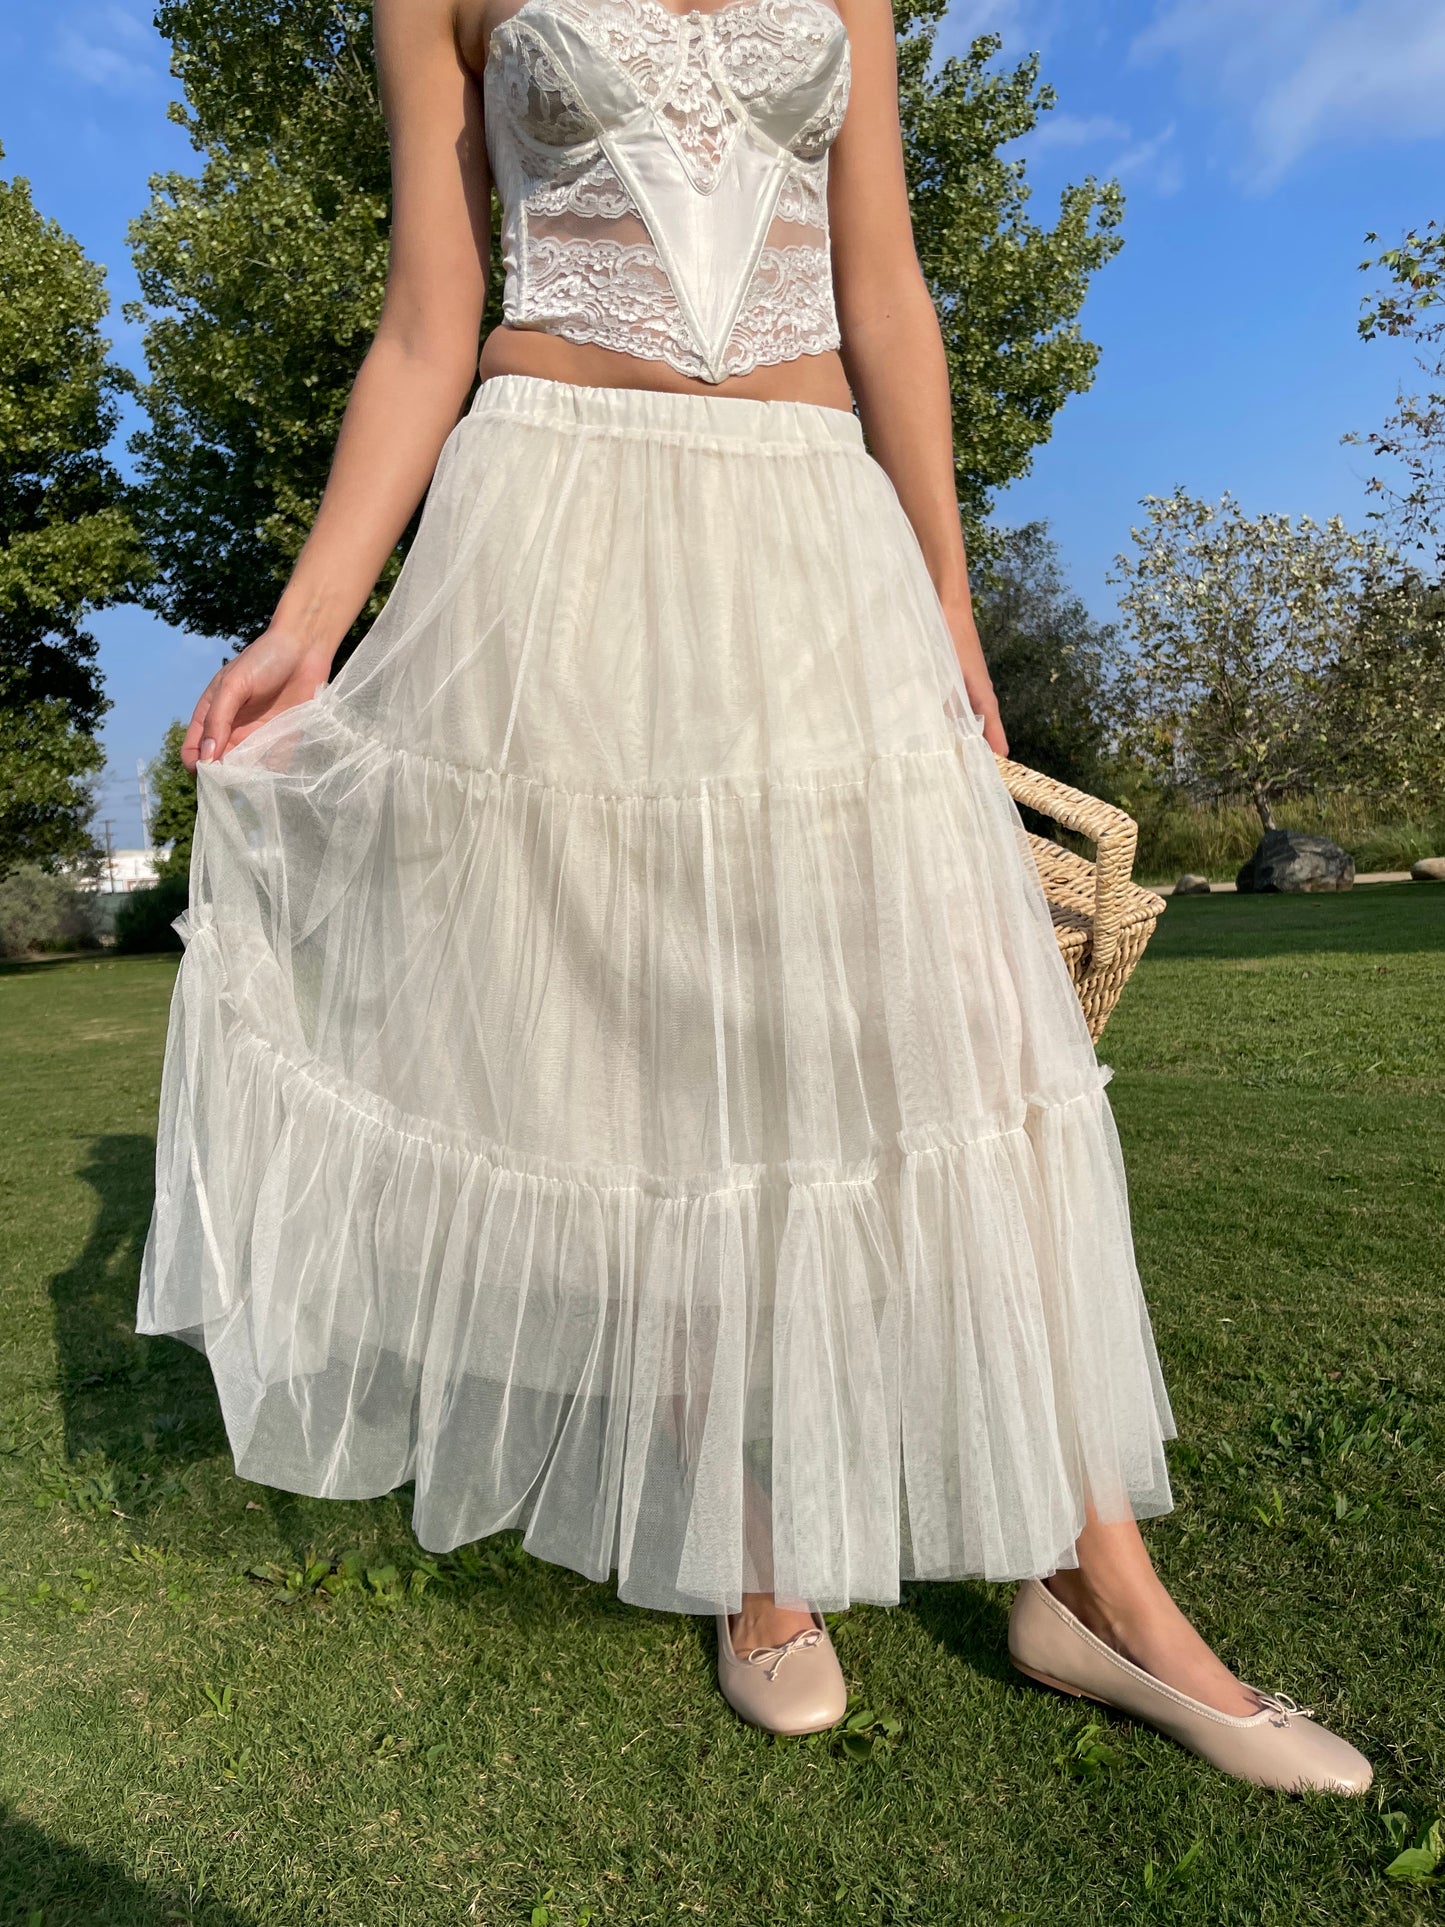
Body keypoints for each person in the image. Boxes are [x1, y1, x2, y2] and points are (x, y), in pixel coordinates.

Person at [137, 0, 1370, 1790]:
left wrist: (946, 598)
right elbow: (426, 323)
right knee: (644, 1039)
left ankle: (1097, 1583)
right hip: (557, 517)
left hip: (813, 525)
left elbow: (883, 292)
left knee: (957, 1037)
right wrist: (309, 623)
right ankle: (751, 1545)